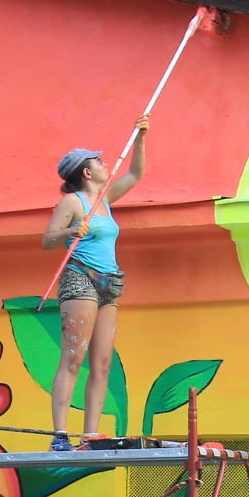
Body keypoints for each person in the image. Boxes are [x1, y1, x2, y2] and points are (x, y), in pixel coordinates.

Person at [41, 114, 150, 451]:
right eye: (99, 162)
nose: (106, 165)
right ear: (86, 172)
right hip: (80, 277)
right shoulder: (73, 202)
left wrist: (140, 137)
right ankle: (60, 434)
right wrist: (71, 230)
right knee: (74, 356)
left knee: (102, 361)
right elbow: (47, 240)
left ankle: (91, 434)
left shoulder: (104, 198)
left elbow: (135, 174)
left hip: (110, 282)